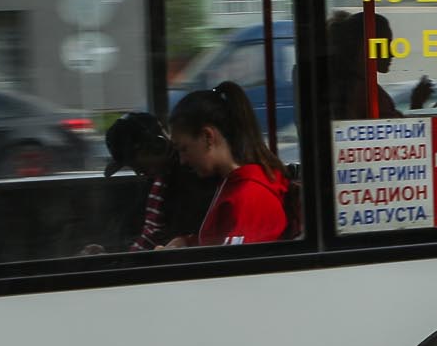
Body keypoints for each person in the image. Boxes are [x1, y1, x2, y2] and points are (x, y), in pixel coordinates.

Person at [166, 81, 289, 246]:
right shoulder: (233, 185)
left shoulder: (250, 197)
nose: (182, 160)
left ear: (208, 137)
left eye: (184, 149)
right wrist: (187, 244)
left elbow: (232, 264)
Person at [90, 111, 218, 254]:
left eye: (137, 164)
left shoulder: (193, 181)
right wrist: (110, 254)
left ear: (157, 146)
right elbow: (136, 231)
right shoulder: (156, 181)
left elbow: (176, 242)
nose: (138, 172)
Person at [326, 10, 431, 119]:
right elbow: (396, 132)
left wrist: (416, 103)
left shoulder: (347, 86)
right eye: (385, 45)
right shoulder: (367, 94)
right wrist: (416, 104)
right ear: (366, 48)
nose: (391, 53)